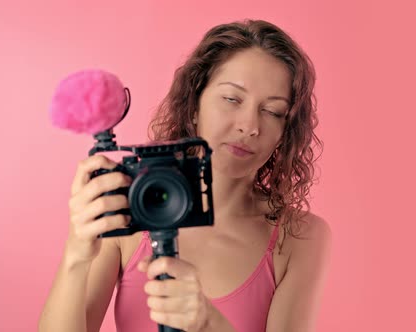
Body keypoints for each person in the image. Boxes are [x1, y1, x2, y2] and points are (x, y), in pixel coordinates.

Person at [39, 19, 332, 332]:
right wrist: (76, 255)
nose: (250, 126)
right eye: (232, 99)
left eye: (273, 111)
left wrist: (208, 322)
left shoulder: (299, 238)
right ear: (195, 105)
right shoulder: (129, 212)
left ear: (285, 131)